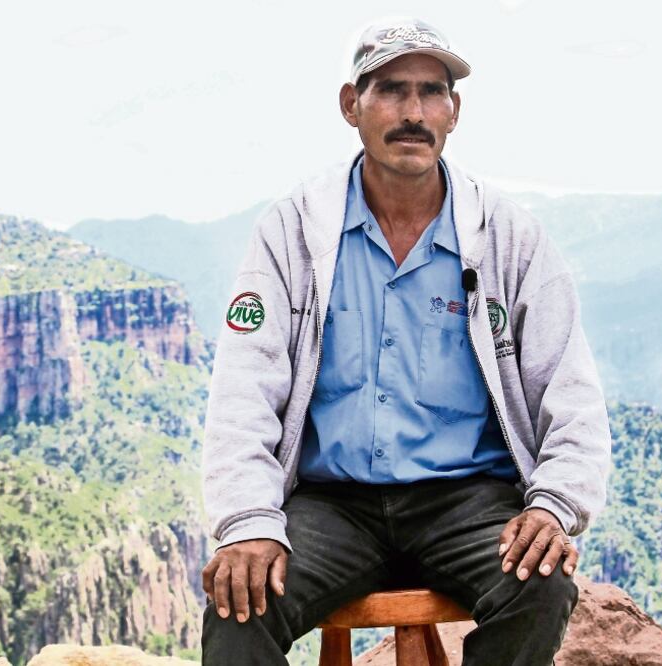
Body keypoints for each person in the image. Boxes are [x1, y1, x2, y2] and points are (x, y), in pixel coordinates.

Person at [200, 16, 612, 665]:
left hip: (466, 499)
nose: (412, 112)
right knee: (238, 601)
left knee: (541, 583)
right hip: (331, 504)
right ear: (350, 105)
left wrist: (552, 506)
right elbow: (243, 391)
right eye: (390, 89)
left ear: (454, 111)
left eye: (430, 91)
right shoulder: (293, 233)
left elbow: (569, 392)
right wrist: (247, 524)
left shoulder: (508, 237)